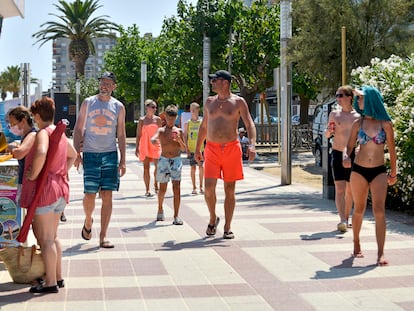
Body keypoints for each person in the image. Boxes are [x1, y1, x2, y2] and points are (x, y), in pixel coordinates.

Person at [20, 97, 77, 293]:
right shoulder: (60, 134)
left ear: (36, 116)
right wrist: (61, 170)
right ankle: (58, 277)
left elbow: (41, 152)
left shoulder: (43, 133)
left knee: (45, 240)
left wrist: (34, 174)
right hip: (60, 188)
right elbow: (74, 154)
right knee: (53, 237)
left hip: (46, 190)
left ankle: (51, 282)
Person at [195, 70, 256, 239]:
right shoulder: (209, 102)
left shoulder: (238, 102)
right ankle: (213, 218)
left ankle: (228, 226)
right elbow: (204, 126)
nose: (212, 83)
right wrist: (197, 149)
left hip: (231, 149)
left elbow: (250, 124)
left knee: (230, 189)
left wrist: (252, 144)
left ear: (225, 83)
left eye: (214, 80)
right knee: (208, 189)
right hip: (212, 149)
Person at [343, 86, 397, 266]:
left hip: (379, 171)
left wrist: (394, 172)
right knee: (359, 209)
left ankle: (381, 253)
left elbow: (392, 150)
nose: (358, 101)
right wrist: (345, 155)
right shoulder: (358, 123)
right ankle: (356, 243)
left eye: (360, 98)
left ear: (371, 100)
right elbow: (349, 145)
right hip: (359, 170)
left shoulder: (386, 125)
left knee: (379, 211)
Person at [73, 71, 126, 249]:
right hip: (90, 154)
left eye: (108, 82)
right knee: (89, 195)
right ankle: (88, 221)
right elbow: (78, 128)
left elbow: (121, 134)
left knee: (107, 195)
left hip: (110, 154)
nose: (104, 85)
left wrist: (123, 160)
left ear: (114, 86)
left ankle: (103, 236)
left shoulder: (118, 107)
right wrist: (76, 154)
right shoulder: (88, 103)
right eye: (102, 82)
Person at [325, 85, 360, 232]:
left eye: (340, 95)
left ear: (349, 97)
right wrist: (329, 131)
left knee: (350, 190)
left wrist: (359, 148)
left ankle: (347, 217)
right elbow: (327, 135)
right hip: (337, 153)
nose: (338, 98)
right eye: (337, 96)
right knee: (339, 189)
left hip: (353, 155)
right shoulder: (334, 115)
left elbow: (361, 137)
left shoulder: (358, 116)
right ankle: (343, 219)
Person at [151, 105, 186, 225]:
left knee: (177, 187)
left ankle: (176, 215)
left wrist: (179, 140)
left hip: (176, 160)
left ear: (176, 118)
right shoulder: (161, 130)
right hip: (164, 160)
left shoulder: (179, 131)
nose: (171, 121)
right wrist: (153, 140)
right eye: (169, 118)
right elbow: (154, 137)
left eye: (173, 119)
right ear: (165, 117)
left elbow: (184, 149)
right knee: (163, 188)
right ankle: (160, 208)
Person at [7, 106, 37, 205]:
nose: (11, 127)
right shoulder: (26, 136)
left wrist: (11, 147)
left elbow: (19, 153)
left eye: (13, 124)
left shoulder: (32, 135)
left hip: (29, 183)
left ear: (23, 121)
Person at [135, 99, 162, 197]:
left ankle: (156, 183)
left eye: (155, 107)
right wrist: (137, 147)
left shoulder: (158, 119)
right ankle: (147, 189)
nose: (155, 109)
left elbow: (160, 133)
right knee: (146, 168)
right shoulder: (142, 120)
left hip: (155, 144)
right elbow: (138, 134)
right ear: (147, 108)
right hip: (145, 144)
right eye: (152, 107)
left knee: (158, 166)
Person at [183, 102, 204, 195]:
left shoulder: (202, 122)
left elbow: (206, 134)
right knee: (193, 168)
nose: (192, 112)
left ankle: (201, 186)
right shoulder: (188, 123)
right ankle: (194, 187)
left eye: (194, 110)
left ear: (198, 110)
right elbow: (185, 135)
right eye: (191, 110)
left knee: (201, 167)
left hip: (201, 149)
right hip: (191, 148)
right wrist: (186, 147)